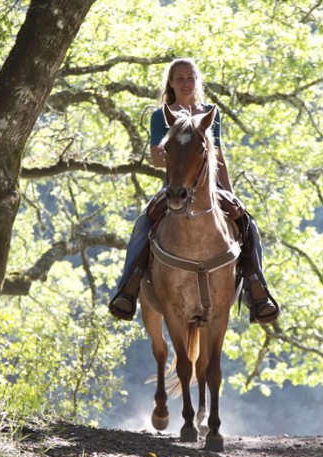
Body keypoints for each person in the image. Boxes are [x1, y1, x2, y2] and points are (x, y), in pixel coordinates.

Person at [108, 58, 279, 323]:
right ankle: (127, 289)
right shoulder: (160, 115)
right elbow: (155, 158)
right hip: (175, 186)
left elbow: (219, 156)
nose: (186, 83)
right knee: (143, 224)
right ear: (171, 83)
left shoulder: (210, 112)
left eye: (190, 78)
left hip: (210, 186)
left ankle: (257, 290)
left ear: (196, 81)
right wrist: (182, 154)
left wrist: (231, 193)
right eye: (180, 78)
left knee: (249, 225)